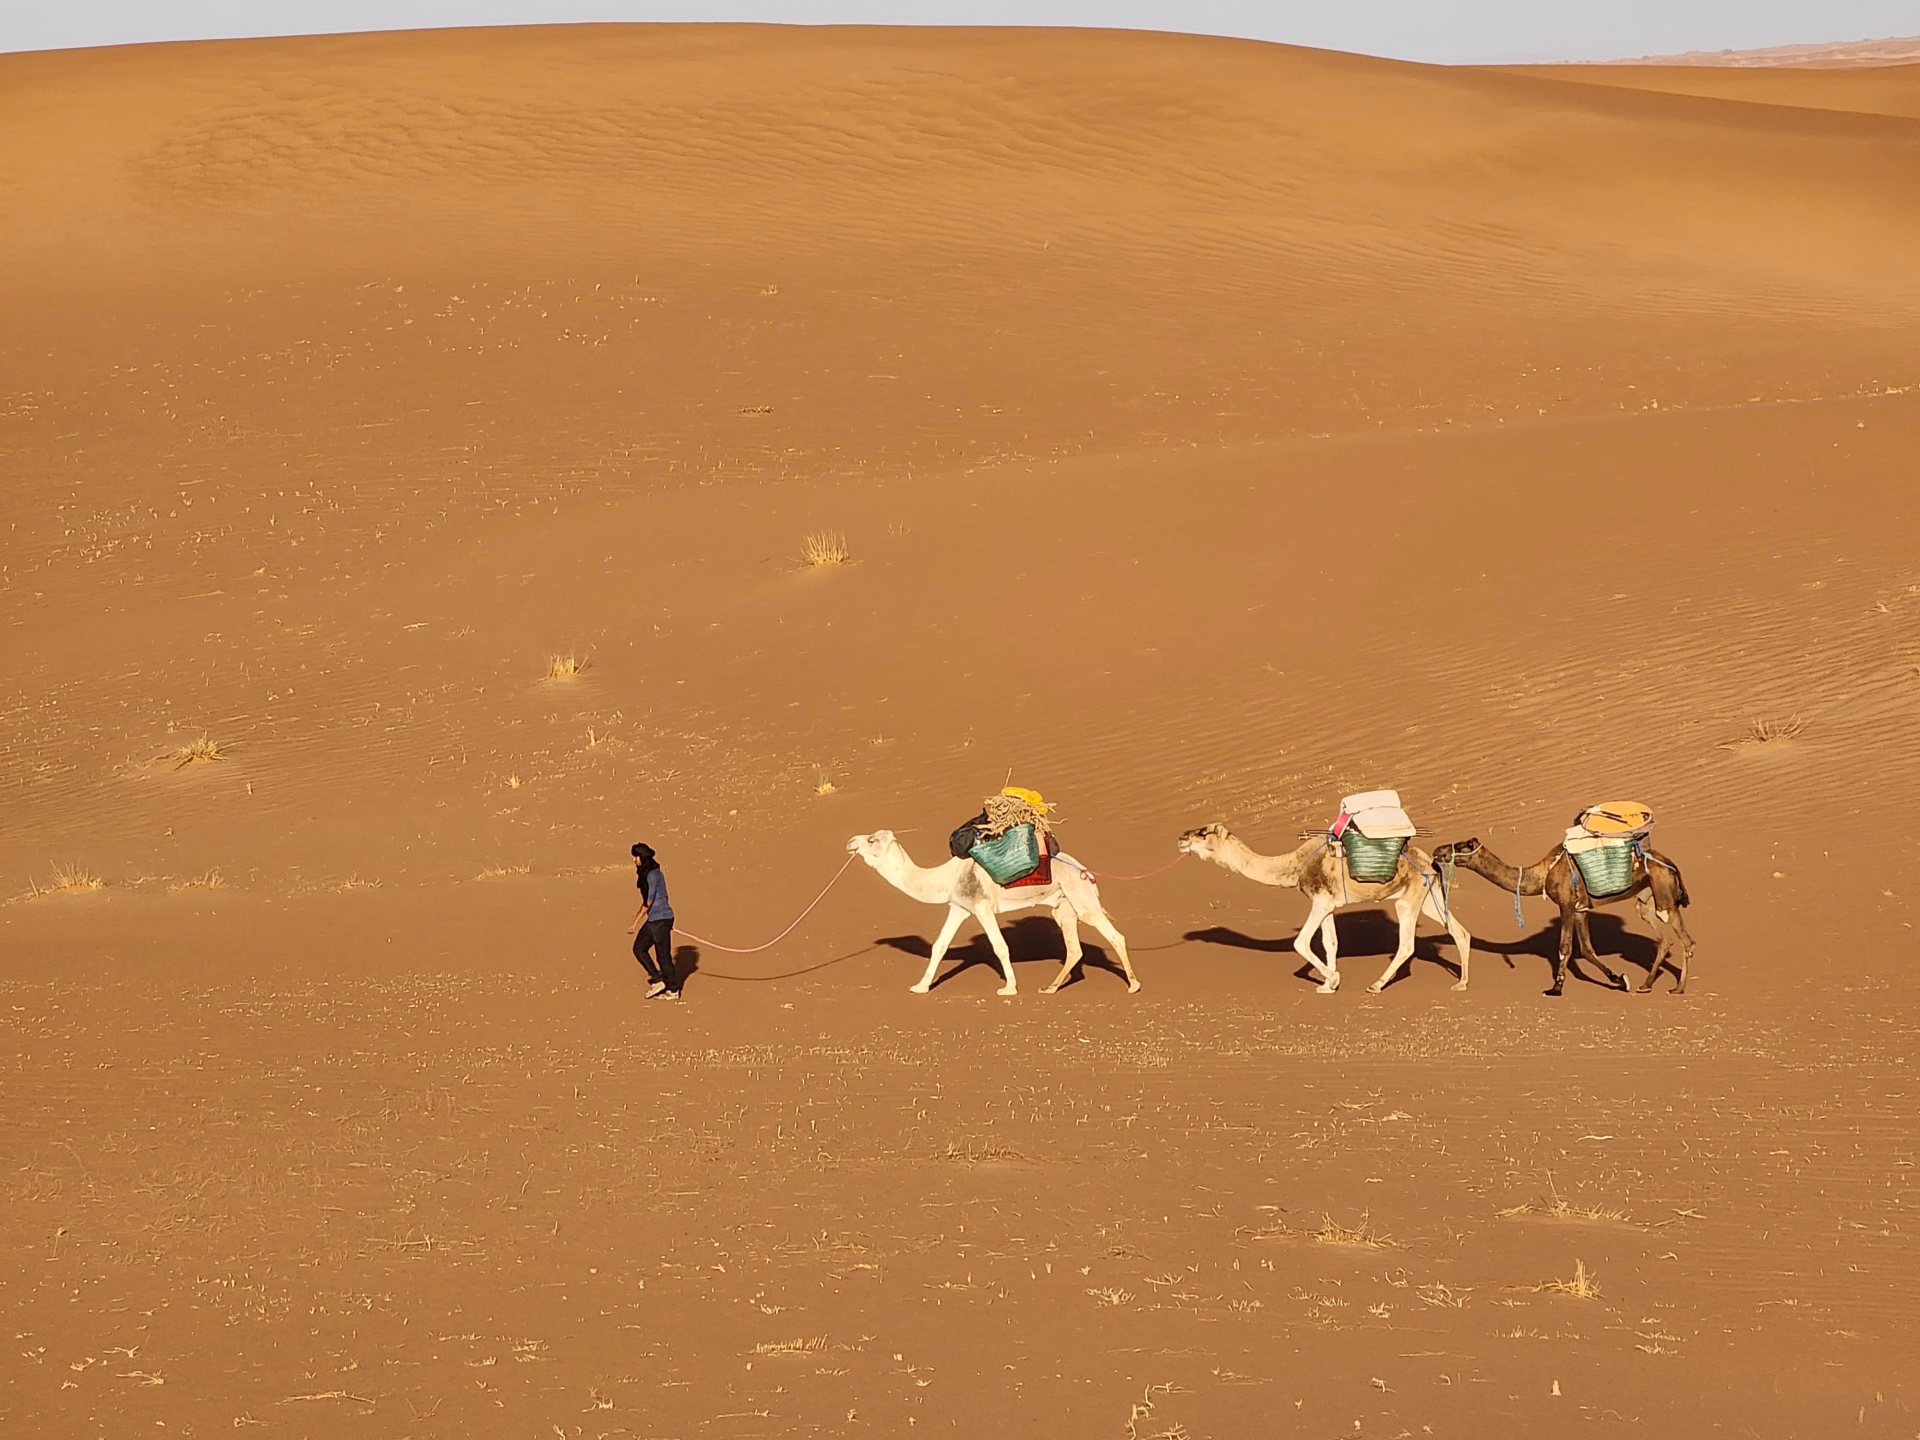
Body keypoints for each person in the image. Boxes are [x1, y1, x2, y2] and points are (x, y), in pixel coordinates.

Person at [628, 842, 682, 1000]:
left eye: (635, 857)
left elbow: (649, 901)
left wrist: (635, 921)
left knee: (663, 956)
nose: (633, 860)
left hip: (660, 920)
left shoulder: (652, 875)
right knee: (639, 948)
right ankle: (658, 979)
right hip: (656, 920)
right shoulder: (651, 872)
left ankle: (672, 989)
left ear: (641, 858)